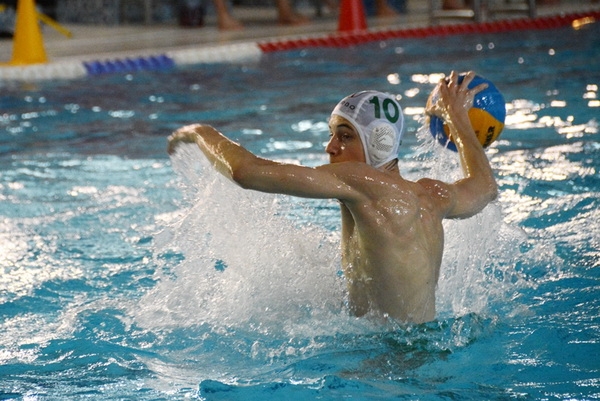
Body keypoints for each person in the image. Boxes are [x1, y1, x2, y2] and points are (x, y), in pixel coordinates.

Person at [167, 71, 498, 324]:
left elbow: (247, 172)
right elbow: (484, 186)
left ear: (379, 142)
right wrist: (458, 121)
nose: (330, 147)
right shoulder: (431, 195)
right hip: (421, 352)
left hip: (384, 364)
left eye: (345, 136)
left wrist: (200, 133)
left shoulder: (362, 180)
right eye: (331, 135)